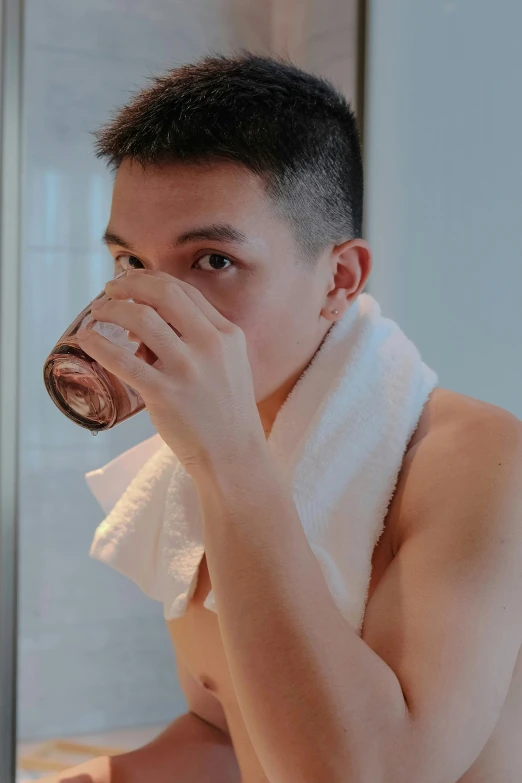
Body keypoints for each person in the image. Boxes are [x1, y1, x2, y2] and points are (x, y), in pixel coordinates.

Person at [40, 53, 522, 783]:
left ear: (339, 279)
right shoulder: (199, 460)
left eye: (212, 261)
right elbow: (229, 730)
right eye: (133, 263)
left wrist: (230, 460)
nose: (153, 310)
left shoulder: (477, 460)